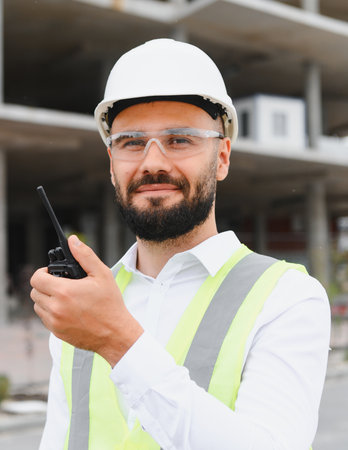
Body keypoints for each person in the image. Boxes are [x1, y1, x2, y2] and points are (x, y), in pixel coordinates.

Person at [30, 39, 330, 450]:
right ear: (111, 163)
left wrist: (118, 342)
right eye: (132, 142)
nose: (153, 162)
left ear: (222, 157)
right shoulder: (82, 302)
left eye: (180, 140)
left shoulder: (286, 298)